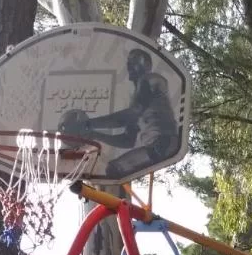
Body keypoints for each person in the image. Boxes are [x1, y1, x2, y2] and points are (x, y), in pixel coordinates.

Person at [59, 48, 179, 179]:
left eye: (135, 61)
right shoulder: (140, 102)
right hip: (157, 147)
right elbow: (127, 141)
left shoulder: (151, 80)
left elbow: (130, 115)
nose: (130, 65)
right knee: (114, 169)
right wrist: (95, 134)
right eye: (130, 62)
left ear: (146, 65)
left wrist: (88, 124)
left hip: (165, 142)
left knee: (115, 169)